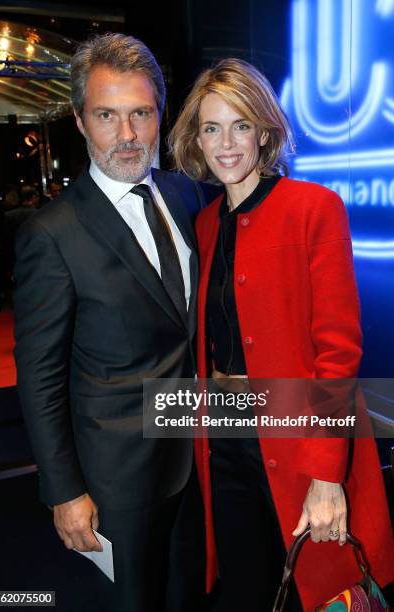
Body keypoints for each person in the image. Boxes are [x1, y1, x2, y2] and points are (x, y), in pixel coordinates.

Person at [169, 58, 394, 611]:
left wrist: (325, 475)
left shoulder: (314, 210)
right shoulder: (203, 222)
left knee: (317, 591)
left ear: (265, 131)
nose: (226, 144)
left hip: (299, 437)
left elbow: (338, 352)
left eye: (240, 125)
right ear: (195, 138)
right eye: (211, 127)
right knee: (248, 587)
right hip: (224, 434)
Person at [14, 33, 207, 612]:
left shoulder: (186, 195)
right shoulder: (51, 234)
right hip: (116, 479)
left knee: (192, 595)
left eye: (140, 114)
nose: (127, 135)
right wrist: (65, 490)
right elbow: (41, 378)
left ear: (159, 115)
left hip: (198, 455)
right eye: (106, 115)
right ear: (79, 121)